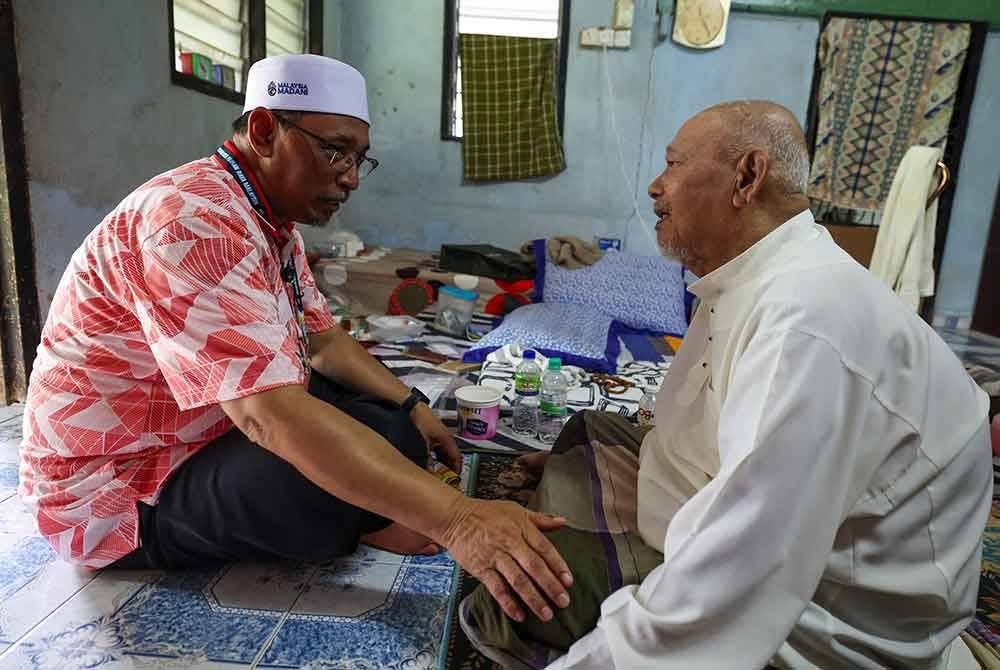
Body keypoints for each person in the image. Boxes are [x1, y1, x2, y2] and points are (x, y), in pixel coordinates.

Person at [18, 54, 573, 627]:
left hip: (201, 432)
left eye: (360, 159)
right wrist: (458, 520)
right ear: (263, 130)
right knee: (321, 485)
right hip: (119, 489)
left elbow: (324, 342)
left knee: (394, 431)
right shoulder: (191, 218)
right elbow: (266, 416)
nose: (351, 177)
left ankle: (369, 507)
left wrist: (413, 404)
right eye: (334, 151)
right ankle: (361, 518)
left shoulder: (267, 219)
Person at [463, 101, 992, 669]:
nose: (654, 187)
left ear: (747, 177)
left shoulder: (806, 323)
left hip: (825, 610)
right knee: (591, 426)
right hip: (757, 519)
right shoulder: (759, 278)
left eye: (672, 164)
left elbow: (752, 559)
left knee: (505, 600)